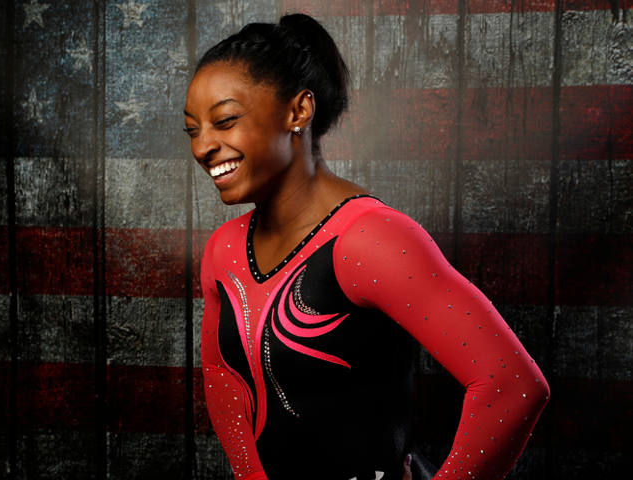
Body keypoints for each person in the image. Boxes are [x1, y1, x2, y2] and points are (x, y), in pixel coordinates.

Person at [183, 13, 549, 480]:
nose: (203, 147)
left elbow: (512, 385)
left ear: (298, 112)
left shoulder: (368, 240)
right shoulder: (224, 251)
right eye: (193, 130)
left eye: (225, 121)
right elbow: (226, 381)